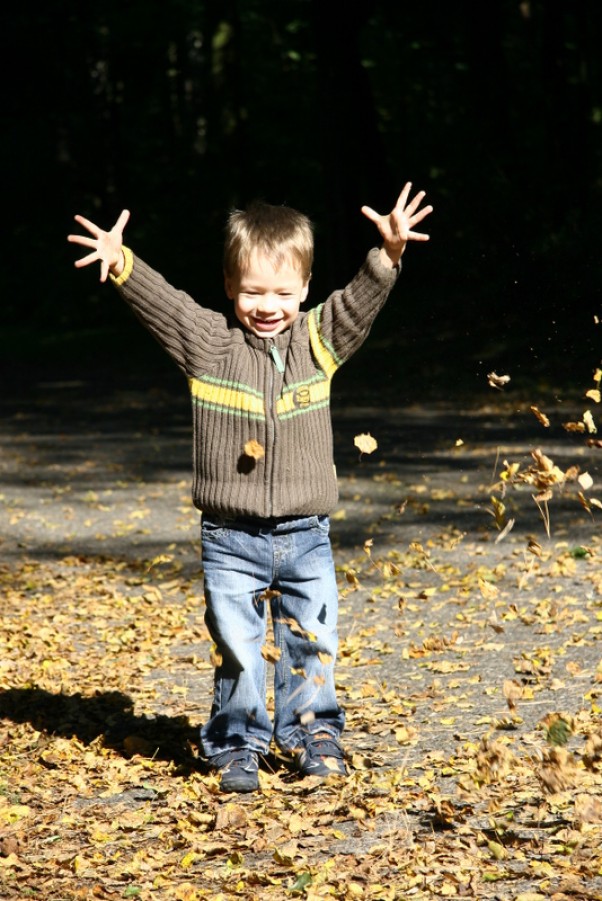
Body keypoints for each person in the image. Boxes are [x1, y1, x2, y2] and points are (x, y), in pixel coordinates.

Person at [68, 183, 433, 793]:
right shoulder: (210, 345)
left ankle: (314, 733)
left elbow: (358, 304)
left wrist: (387, 256)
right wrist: (123, 263)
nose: (268, 306)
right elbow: (167, 305)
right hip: (230, 536)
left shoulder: (318, 342)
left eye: (283, 293)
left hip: (305, 533)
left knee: (313, 641)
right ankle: (237, 741)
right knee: (238, 647)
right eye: (253, 292)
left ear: (304, 290)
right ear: (231, 287)